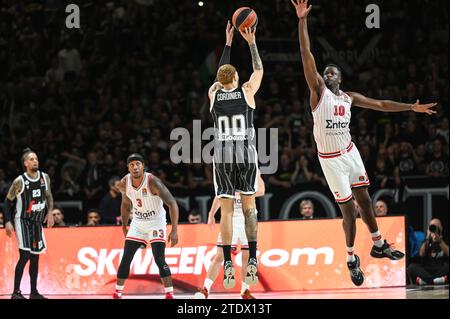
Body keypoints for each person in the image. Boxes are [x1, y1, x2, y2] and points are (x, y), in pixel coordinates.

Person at [291, 0, 436, 286]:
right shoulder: (318, 93)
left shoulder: (349, 97)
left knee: (366, 201)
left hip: (350, 152)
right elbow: (305, 53)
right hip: (330, 159)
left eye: (333, 72)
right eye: (326, 72)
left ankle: (378, 243)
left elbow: (381, 103)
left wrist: (410, 107)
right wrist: (302, 20)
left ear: (341, 79)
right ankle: (350, 258)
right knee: (349, 213)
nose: (328, 74)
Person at [208, 21, 263, 289]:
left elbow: (221, 75)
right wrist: (251, 42)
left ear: (220, 81)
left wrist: (228, 43)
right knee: (250, 208)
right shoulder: (248, 92)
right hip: (245, 153)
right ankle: (252, 257)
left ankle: (228, 262)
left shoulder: (214, 94)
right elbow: (259, 69)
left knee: (227, 213)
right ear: (237, 79)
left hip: (222, 156)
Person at [113, 154, 179, 299]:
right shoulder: (124, 182)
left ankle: (169, 293)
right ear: (128, 168)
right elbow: (125, 204)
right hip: (137, 222)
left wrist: (174, 230)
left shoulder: (153, 181)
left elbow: (172, 203)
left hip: (156, 222)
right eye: (131, 165)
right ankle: (117, 292)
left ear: (143, 166)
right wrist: (124, 226)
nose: (135, 167)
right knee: (126, 257)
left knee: (159, 258)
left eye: (138, 164)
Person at [195, 173, 265, 299]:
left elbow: (261, 191)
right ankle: (205, 290)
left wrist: (253, 179)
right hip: (230, 220)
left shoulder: (250, 171)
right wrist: (211, 214)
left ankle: (245, 291)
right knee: (220, 256)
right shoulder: (226, 175)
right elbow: (219, 196)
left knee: (247, 258)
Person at [3, 149, 54, 299]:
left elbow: (49, 196)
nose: (35, 161)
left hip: (37, 221)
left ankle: (34, 292)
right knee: (25, 255)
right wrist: (7, 221)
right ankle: (16, 292)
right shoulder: (20, 181)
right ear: (25, 163)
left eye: (36, 158)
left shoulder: (45, 177)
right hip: (22, 220)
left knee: (35, 256)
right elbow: (7, 202)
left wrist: (50, 212)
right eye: (31, 159)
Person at [407, 219, 449, 285]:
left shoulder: (445, 238)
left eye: (436, 226)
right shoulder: (426, 240)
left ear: (441, 227)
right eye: (432, 226)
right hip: (427, 269)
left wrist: (440, 241)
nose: (434, 228)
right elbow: (421, 254)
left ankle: (426, 281)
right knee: (411, 267)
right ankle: (437, 280)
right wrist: (427, 238)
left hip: (441, 268)